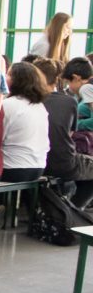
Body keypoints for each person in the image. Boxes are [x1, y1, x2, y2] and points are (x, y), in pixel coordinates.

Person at [45, 56, 93, 208]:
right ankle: (73, 210)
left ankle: (70, 211)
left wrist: (78, 124)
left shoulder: (86, 88)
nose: (68, 86)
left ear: (76, 78)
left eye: (68, 82)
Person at [0, 62, 49, 183]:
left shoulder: (8, 105)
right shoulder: (39, 106)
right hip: (38, 167)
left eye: (8, 74)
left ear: (18, 80)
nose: (5, 77)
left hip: (12, 168)